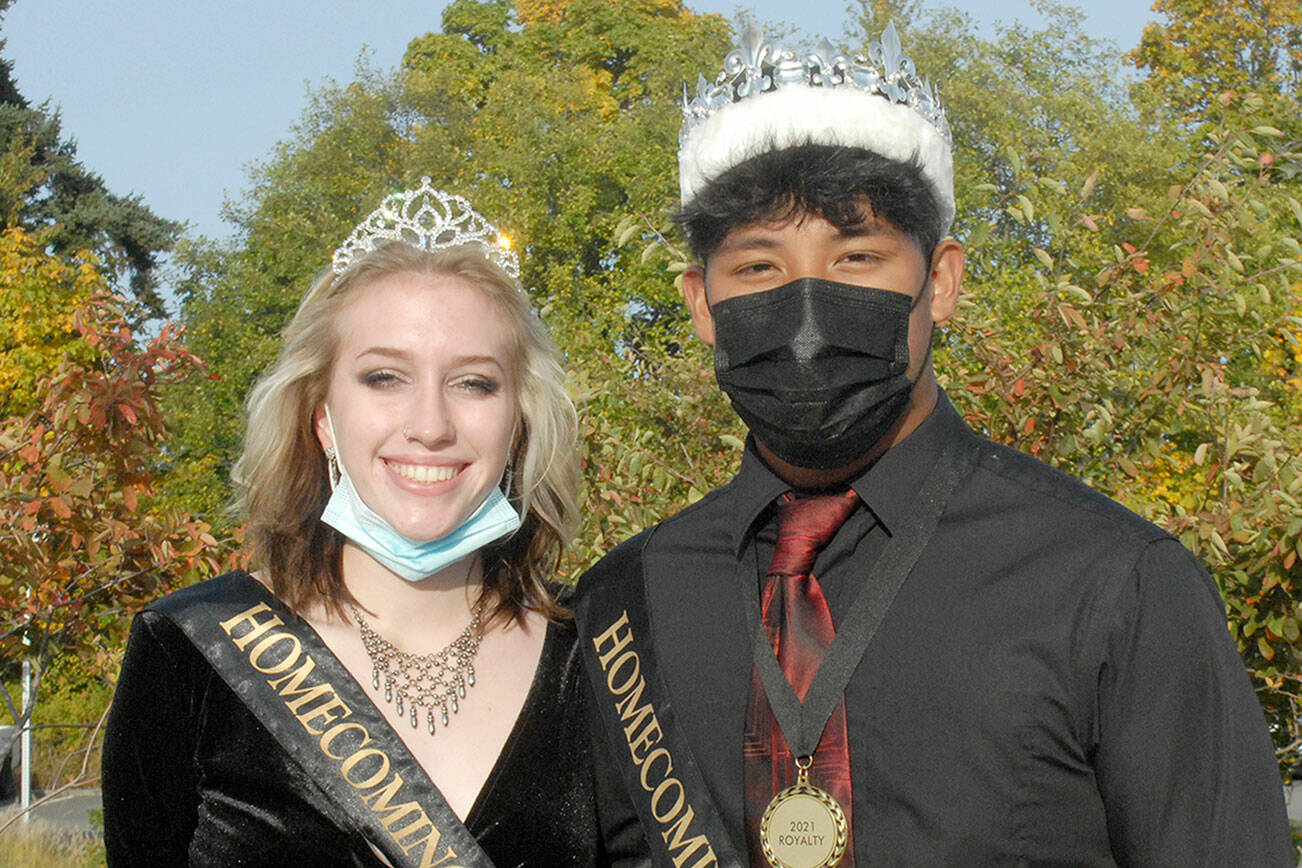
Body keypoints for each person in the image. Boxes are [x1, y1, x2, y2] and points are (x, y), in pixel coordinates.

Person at [575, 25, 1293, 868]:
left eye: (857, 257)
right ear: (700, 302)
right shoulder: (623, 605)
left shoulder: (1116, 585)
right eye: (760, 269)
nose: (807, 315)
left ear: (941, 281)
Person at [103, 180, 644, 867]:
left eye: (474, 382)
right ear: (322, 417)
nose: (429, 425)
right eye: (385, 377)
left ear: (518, 425)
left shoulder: (598, 660)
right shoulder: (191, 649)